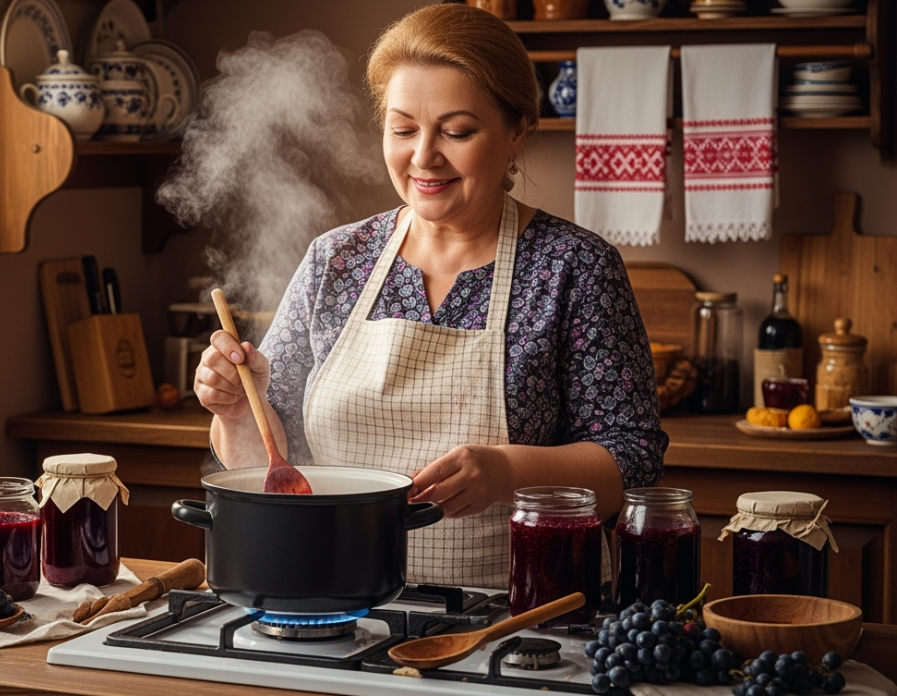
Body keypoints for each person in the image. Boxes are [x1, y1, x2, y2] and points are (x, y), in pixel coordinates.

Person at [193, 3, 666, 587]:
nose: (423, 157)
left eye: (457, 131)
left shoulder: (576, 268)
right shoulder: (336, 260)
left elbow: (633, 458)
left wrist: (505, 470)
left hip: (525, 613)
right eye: (403, 129)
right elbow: (272, 467)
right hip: (340, 597)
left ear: (517, 130)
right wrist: (238, 411)